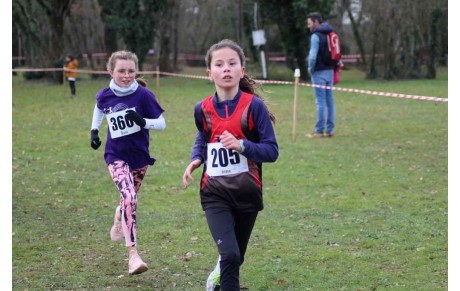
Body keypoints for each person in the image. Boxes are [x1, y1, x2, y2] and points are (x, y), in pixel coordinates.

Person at [182, 39, 279, 291]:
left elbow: (271, 151)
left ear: (241, 71)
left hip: (247, 192)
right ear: (209, 72)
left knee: (236, 258)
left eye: (232, 63)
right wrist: (196, 158)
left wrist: (242, 146)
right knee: (231, 256)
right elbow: (204, 136)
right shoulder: (201, 109)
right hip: (214, 193)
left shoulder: (254, 107)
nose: (226, 69)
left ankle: (218, 275)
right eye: (219, 64)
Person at [89, 50, 166, 275]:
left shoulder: (144, 95)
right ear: (111, 72)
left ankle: (118, 214)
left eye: (131, 71)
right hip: (116, 156)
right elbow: (99, 108)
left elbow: (161, 123)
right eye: (121, 71)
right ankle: (133, 256)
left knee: (128, 200)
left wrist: (143, 122)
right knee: (130, 198)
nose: (126, 75)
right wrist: (94, 131)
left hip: (139, 157)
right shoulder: (105, 94)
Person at [307, 12, 336, 138]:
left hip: (319, 71)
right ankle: (330, 130)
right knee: (329, 101)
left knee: (320, 102)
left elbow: (313, 56)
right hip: (330, 71)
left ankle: (319, 130)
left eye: (309, 23)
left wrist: (310, 68)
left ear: (316, 22)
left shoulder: (315, 36)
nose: (308, 26)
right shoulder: (330, 33)